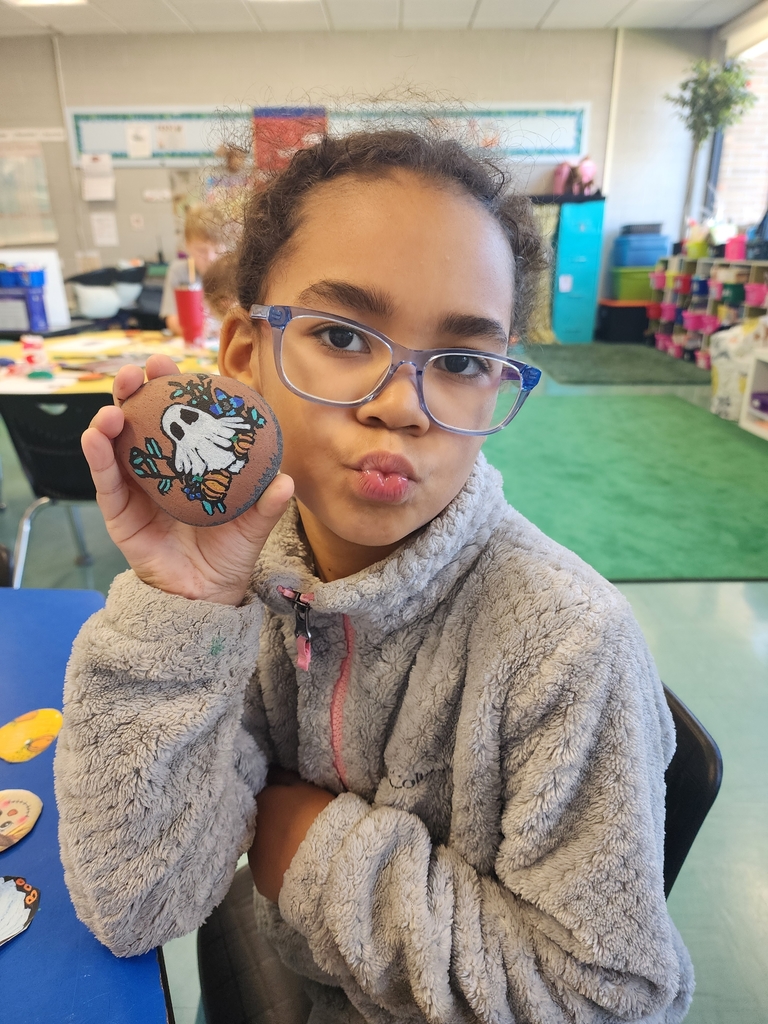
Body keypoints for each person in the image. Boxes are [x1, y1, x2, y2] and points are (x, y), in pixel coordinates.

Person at [55, 127, 694, 1024]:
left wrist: (304, 845)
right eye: (343, 335)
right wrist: (183, 609)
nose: (399, 404)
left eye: (464, 362)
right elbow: (135, 906)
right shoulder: (255, 578)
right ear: (244, 354)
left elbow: (612, 999)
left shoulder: (568, 646)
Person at [161, 203, 229, 336]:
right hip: (192, 342)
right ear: (187, 246)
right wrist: (194, 331)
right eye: (202, 251)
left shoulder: (231, 273)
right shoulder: (178, 271)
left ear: (226, 246)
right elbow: (171, 318)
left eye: (217, 250)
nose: (210, 257)